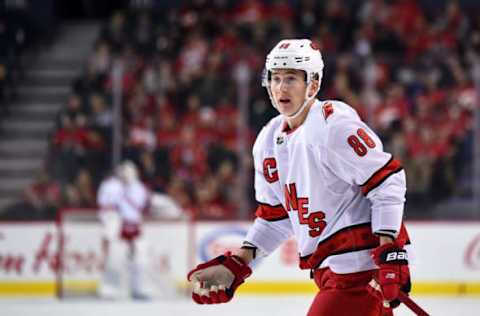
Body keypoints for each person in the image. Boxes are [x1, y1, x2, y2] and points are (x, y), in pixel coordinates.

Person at [187, 39, 412, 316]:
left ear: (313, 85)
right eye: (276, 78)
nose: (281, 87)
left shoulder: (333, 125)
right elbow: (274, 217)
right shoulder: (268, 140)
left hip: (360, 273)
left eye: (291, 78)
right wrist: (238, 264)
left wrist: (390, 252)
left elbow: (387, 180)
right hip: (331, 273)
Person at [97, 160, 150, 299]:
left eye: (129, 172)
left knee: (140, 258)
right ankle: (108, 288)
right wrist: (107, 223)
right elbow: (104, 206)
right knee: (113, 257)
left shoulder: (139, 187)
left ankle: (137, 288)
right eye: (124, 172)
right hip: (117, 225)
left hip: (134, 226)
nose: (126, 175)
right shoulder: (110, 185)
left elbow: (140, 206)